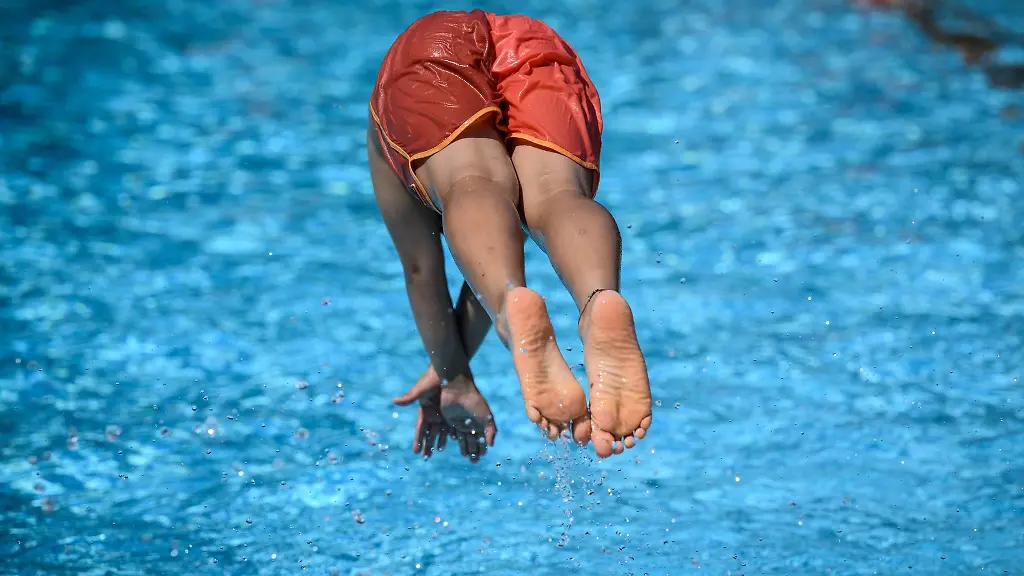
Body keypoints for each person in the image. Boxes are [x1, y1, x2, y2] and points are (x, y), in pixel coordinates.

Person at [368, 10, 652, 461]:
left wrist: (455, 377)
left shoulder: (386, 136)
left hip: (431, 45)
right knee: (558, 197)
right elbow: (506, 237)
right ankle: (599, 299)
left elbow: (423, 271)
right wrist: (454, 358)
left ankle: (506, 306)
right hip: (534, 40)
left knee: (468, 181)